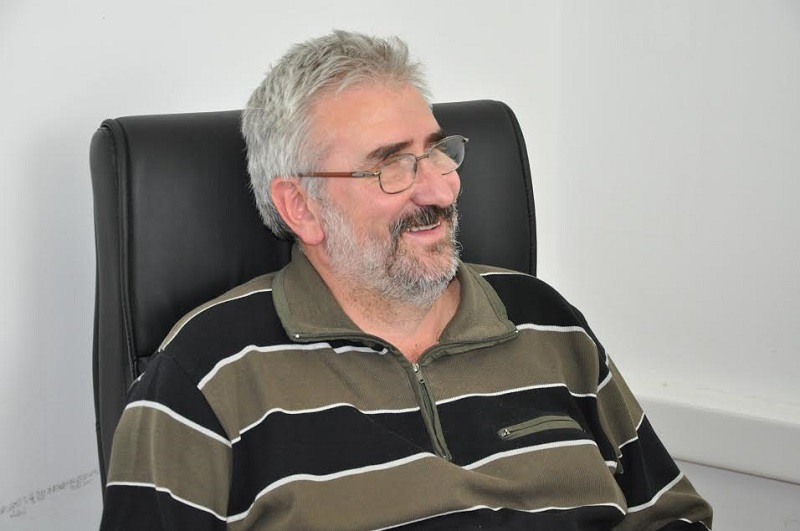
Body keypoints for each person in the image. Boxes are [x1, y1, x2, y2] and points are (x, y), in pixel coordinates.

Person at [100, 30, 713, 530]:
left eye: (438, 151)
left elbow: (671, 515)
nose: (441, 188)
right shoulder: (204, 375)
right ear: (301, 207)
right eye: (392, 165)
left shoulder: (546, 321)